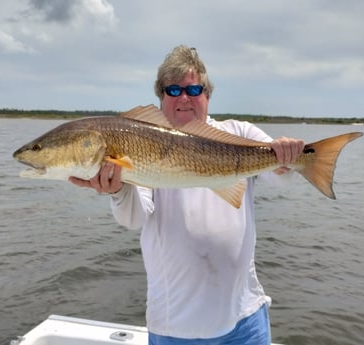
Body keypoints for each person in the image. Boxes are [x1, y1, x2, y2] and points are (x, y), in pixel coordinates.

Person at [70, 45, 304, 345]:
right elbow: (133, 217)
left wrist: (287, 158)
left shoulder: (239, 133)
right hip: (175, 327)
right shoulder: (139, 142)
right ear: (161, 97)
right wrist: (117, 191)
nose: (184, 97)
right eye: (173, 89)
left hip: (245, 319)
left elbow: (278, 175)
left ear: (207, 95)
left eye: (194, 89)